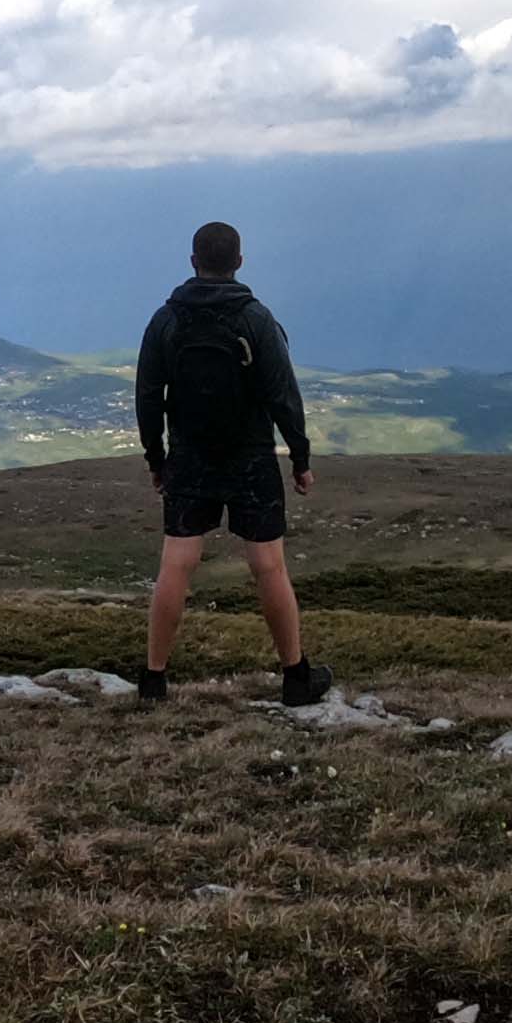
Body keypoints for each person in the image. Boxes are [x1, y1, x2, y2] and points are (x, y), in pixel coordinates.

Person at [133, 219, 333, 708]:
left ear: (192, 261)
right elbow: (284, 395)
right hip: (250, 459)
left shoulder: (166, 320)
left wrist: (157, 459)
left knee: (176, 564)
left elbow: (147, 395)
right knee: (268, 566)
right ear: (240, 262)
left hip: (189, 457)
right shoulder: (256, 318)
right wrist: (300, 458)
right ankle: (295, 677)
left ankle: (155, 680)